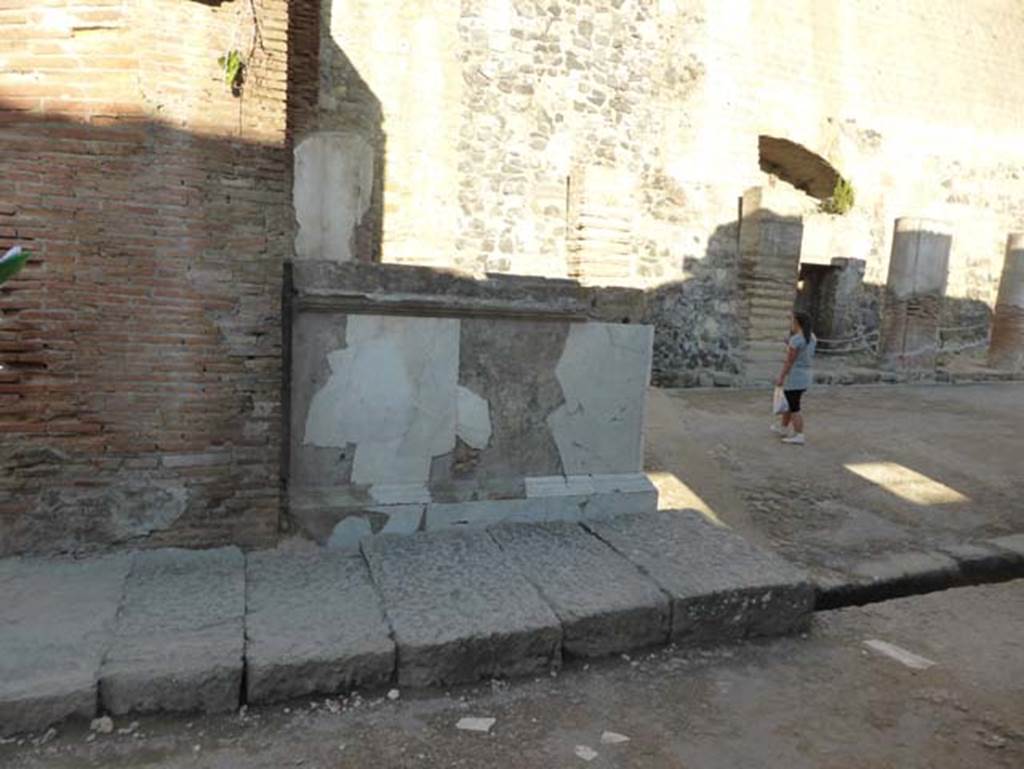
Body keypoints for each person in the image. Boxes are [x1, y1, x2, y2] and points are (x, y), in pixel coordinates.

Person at [772, 311, 816, 445]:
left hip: (795, 376)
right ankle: (783, 428)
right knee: (790, 402)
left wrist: (781, 377)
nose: (790, 324)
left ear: (797, 322)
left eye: (792, 321)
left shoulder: (796, 339)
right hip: (805, 374)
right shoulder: (812, 337)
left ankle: (799, 434)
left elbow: (789, 361)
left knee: (794, 406)